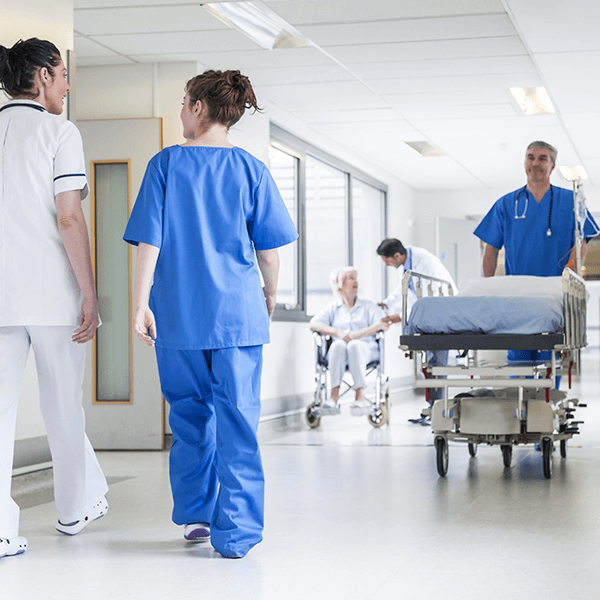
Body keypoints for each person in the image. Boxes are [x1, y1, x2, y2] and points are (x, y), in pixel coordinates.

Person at [123, 69, 297, 559]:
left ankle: (198, 515)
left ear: (199, 108)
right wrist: (268, 295)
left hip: (179, 314)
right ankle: (237, 533)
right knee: (238, 420)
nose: (180, 110)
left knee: (190, 416)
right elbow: (269, 252)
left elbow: (149, 242)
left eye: (183, 102)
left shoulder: (165, 165)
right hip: (238, 316)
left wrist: (141, 305)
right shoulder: (251, 169)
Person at [0, 38, 108, 558]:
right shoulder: (59, 132)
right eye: (63, 74)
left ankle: (1, 529)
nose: (67, 85)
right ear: (42, 76)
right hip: (48, 292)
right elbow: (68, 215)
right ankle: (72, 510)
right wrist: (90, 292)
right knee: (62, 404)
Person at [474, 141, 598, 381]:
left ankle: (546, 411)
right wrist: (487, 287)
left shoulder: (571, 201)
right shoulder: (507, 204)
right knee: (518, 361)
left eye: (542, 158)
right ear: (524, 163)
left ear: (552, 166)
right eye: (531, 157)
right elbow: (490, 249)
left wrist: (569, 274)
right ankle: (522, 412)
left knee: (550, 358)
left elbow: (582, 241)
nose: (535, 163)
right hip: (518, 295)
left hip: (554, 294)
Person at [376, 238, 457, 424]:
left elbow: (428, 297)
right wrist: (387, 304)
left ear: (397, 255)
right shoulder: (407, 264)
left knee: (438, 365)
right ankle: (432, 408)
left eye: (387, 261)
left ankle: (439, 410)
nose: (388, 265)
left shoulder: (424, 262)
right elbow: (404, 289)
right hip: (428, 319)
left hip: (440, 315)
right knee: (430, 365)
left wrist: (401, 316)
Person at [309, 267, 390, 416]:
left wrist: (357, 334)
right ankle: (333, 398)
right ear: (339, 284)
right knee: (338, 344)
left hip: (365, 349)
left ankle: (360, 397)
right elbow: (314, 324)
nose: (356, 281)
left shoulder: (368, 306)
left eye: (356, 277)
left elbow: (383, 324)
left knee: (353, 345)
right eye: (351, 278)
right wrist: (338, 333)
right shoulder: (333, 308)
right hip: (338, 353)